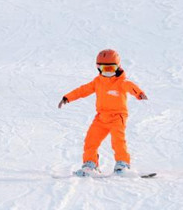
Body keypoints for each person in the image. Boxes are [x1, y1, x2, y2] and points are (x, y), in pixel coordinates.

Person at [58, 49, 148, 177]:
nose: (107, 72)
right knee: (90, 140)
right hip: (101, 117)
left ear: (118, 67)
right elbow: (82, 90)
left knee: (118, 141)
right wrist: (68, 97)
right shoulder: (97, 82)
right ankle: (90, 165)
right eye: (104, 68)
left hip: (118, 116)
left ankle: (122, 165)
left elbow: (130, 86)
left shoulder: (121, 82)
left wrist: (139, 93)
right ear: (98, 68)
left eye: (111, 69)